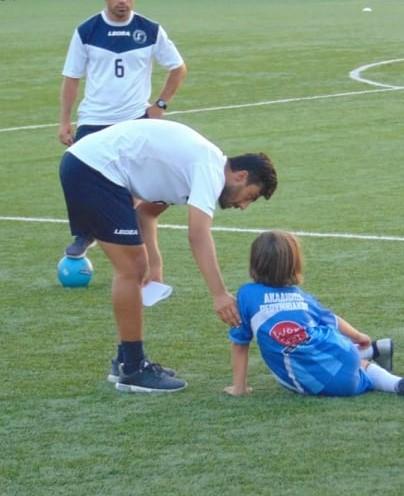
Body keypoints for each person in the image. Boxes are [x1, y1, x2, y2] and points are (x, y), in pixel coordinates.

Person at [59, 118, 278, 393]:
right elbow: (198, 235)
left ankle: (126, 360)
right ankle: (134, 369)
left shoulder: (197, 167)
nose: (243, 206)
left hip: (89, 167)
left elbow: (146, 213)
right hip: (93, 170)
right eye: (250, 196)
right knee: (130, 270)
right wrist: (220, 294)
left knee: (136, 268)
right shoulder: (210, 168)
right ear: (241, 176)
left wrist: (155, 262)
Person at [58, 0, 187, 258]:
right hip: (94, 119)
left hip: (134, 120)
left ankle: (128, 234)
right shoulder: (87, 30)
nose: (123, 2)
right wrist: (64, 121)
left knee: (133, 183)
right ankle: (84, 233)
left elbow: (178, 68)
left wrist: (160, 105)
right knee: (80, 177)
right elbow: (71, 78)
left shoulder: (149, 30)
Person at [225, 230, 404, 397]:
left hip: (314, 380)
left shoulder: (246, 295)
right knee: (336, 357)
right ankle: (387, 370)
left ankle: (381, 365)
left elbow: (240, 343)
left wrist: (239, 388)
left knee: (357, 369)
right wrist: (358, 336)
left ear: (255, 262)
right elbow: (332, 320)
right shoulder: (301, 297)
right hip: (341, 347)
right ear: (294, 264)